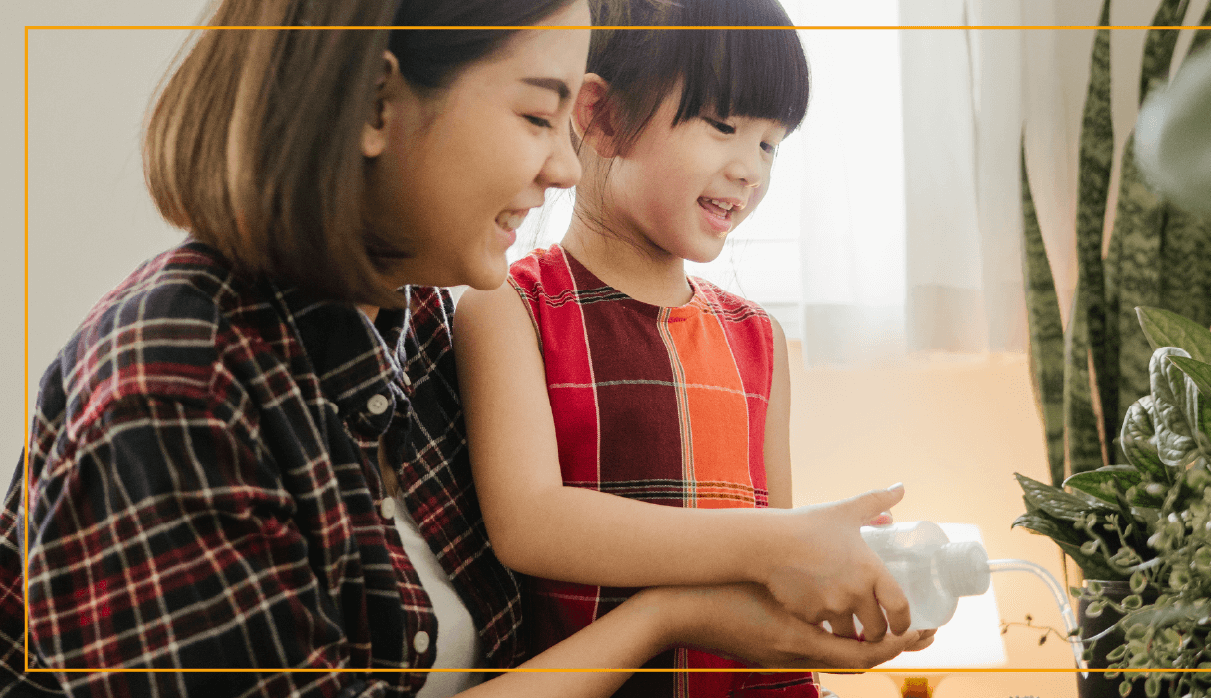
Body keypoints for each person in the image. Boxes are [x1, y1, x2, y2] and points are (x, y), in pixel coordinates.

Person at [0, 0, 934, 696]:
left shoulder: (414, 330)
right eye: (538, 116)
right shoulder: (174, 384)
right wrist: (670, 614)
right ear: (374, 104)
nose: (567, 165)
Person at [453, 0, 930, 696]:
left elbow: (771, 577)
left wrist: (827, 567)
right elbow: (530, 524)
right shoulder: (510, 306)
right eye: (724, 126)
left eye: (770, 143)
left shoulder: (758, 339)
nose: (751, 170)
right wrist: (785, 540)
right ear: (603, 118)